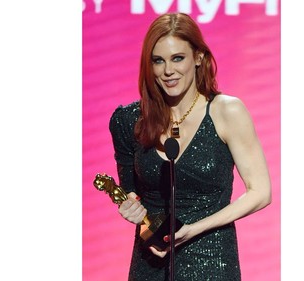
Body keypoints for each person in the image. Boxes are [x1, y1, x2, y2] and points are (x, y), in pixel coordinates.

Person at [109, 12, 271, 281]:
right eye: (158, 61)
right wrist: (130, 208)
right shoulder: (128, 121)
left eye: (177, 58)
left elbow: (261, 193)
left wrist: (193, 230)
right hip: (151, 262)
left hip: (212, 259)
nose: (168, 70)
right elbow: (130, 193)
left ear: (198, 58)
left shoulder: (227, 111)